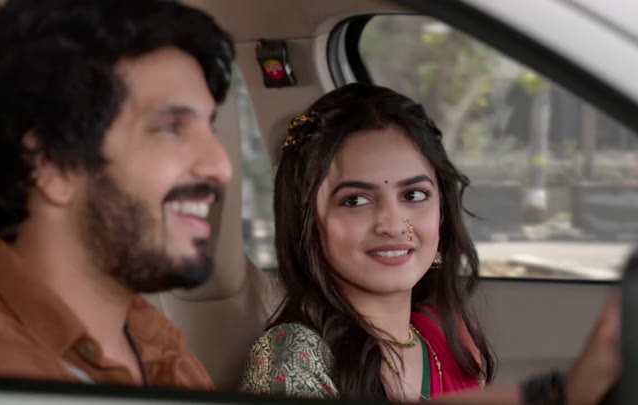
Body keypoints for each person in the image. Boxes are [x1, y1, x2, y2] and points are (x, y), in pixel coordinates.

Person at [0, 0, 234, 389]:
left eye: (210, 128)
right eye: (172, 128)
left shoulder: (159, 349)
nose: (222, 167)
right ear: (52, 164)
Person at [239, 83, 620, 404]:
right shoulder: (294, 355)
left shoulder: (446, 338)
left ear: (441, 212)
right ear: (306, 221)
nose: (393, 225)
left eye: (414, 195)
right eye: (355, 200)